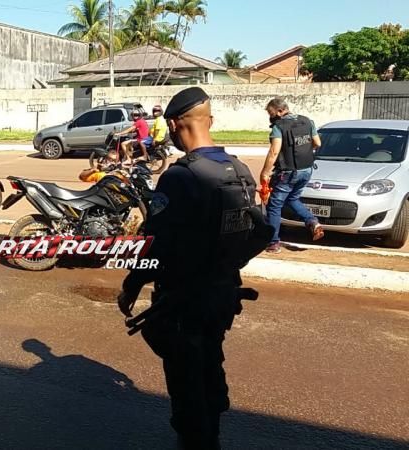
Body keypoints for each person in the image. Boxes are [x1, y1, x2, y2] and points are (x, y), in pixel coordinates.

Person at [116, 87, 273, 450]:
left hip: (184, 300)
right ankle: (211, 433)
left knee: (186, 382)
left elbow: (155, 244)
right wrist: (226, 267)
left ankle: (197, 440)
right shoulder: (239, 170)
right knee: (209, 362)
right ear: (210, 121)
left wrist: (131, 285)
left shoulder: (181, 176)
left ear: (173, 125)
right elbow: (257, 232)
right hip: (223, 294)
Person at [260, 98, 324, 253]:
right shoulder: (307, 121)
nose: (271, 117)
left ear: (280, 111)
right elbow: (317, 143)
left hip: (288, 172)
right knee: (292, 198)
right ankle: (312, 222)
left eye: (271, 113)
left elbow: (274, 151)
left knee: (274, 205)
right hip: (306, 169)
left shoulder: (279, 126)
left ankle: (273, 243)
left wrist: (265, 173)